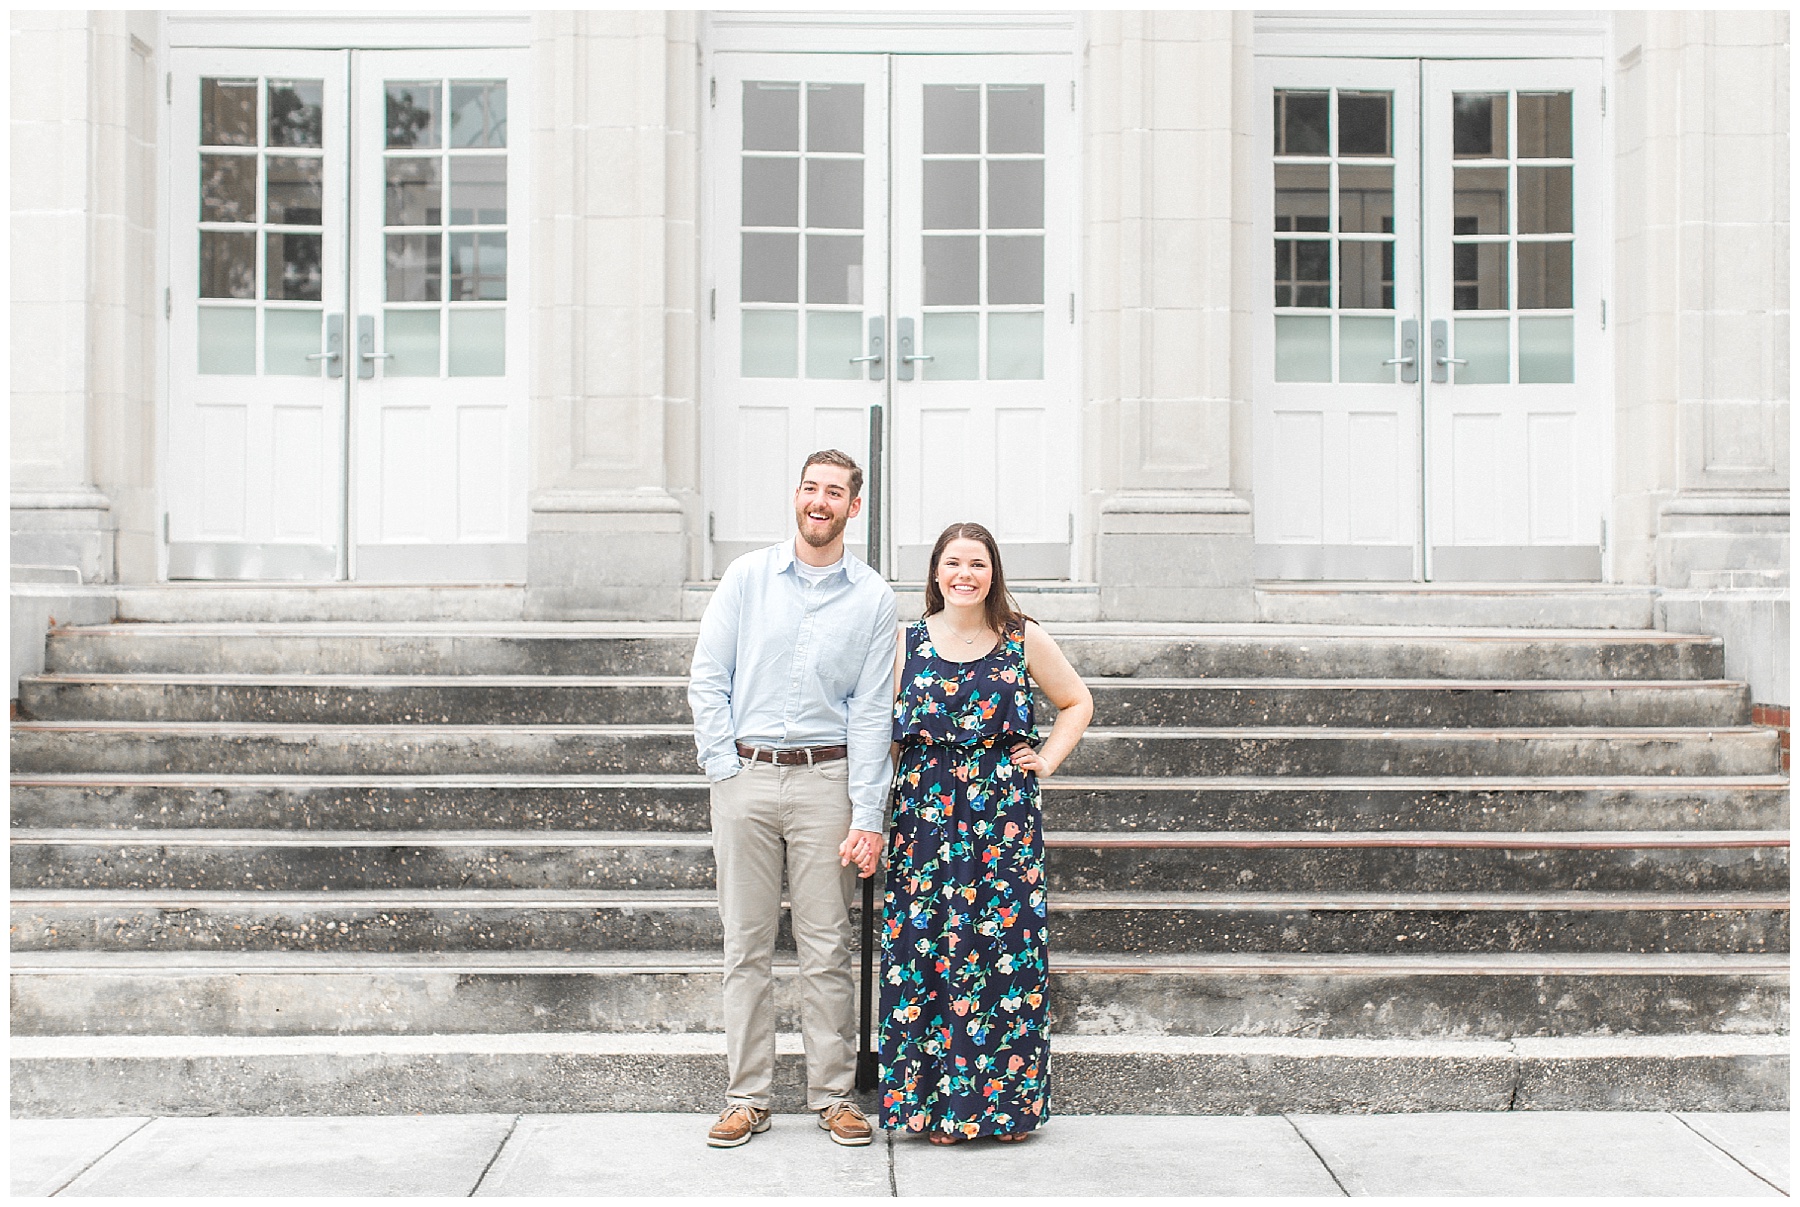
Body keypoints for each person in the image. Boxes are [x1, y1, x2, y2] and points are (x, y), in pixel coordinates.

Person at [688, 450, 898, 1149]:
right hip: (746, 777)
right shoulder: (748, 577)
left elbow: (872, 714)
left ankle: (833, 1095)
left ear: (852, 507)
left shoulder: (872, 598)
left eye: (834, 491)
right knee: (744, 943)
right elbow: (708, 674)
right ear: (798, 496)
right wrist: (724, 767)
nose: (820, 500)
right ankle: (746, 1096)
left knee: (826, 946)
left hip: (826, 784)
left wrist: (867, 814)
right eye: (811, 487)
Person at [878, 521, 1094, 1145]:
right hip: (924, 821)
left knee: (1003, 957)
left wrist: (1047, 759)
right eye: (953, 563)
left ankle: (1005, 1110)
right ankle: (935, 1110)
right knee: (925, 955)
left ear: (993, 572)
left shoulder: (1021, 637)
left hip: (1002, 822)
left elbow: (1076, 701)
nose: (965, 575)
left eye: (977, 563)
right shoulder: (905, 641)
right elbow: (879, 732)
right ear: (936, 573)